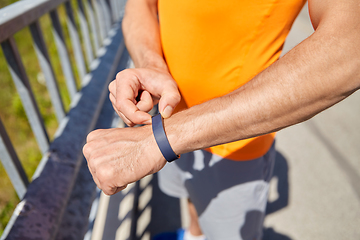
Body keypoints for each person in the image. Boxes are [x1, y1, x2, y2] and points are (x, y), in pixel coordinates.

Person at [83, 0, 360, 239]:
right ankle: (193, 235)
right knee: (190, 195)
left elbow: (351, 43)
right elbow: (139, 5)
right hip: (168, 119)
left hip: (234, 145)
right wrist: (151, 64)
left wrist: (164, 138)